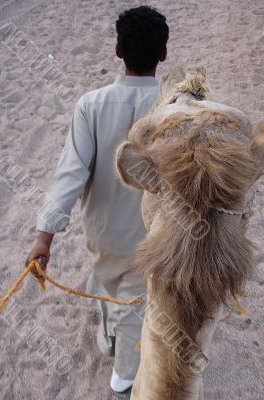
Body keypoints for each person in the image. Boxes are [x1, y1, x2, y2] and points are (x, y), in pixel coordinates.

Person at [26, 5, 168, 398]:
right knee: (134, 301)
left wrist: (44, 238)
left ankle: (118, 358)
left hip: (103, 233)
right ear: (164, 54)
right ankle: (125, 380)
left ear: (118, 51)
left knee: (114, 286)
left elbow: (68, 175)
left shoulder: (91, 104)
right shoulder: (175, 110)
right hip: (155, 239)